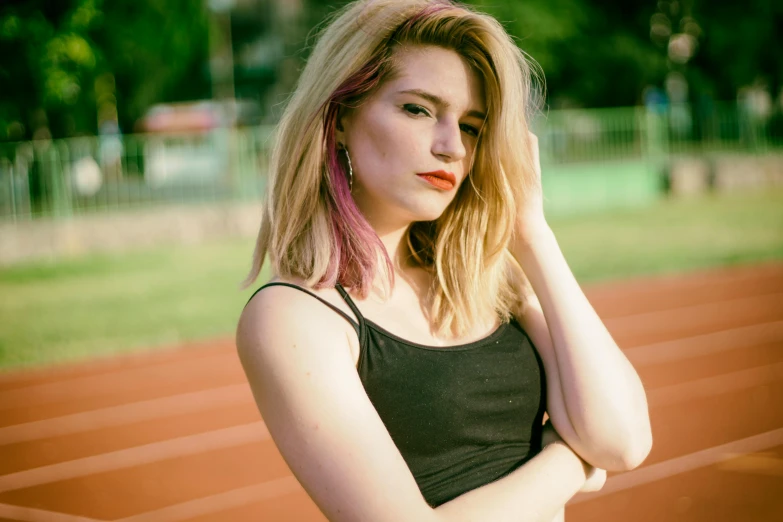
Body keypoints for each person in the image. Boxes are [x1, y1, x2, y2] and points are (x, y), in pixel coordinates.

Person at [236, 1, 653, 520]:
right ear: (340, 116)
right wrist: (567, 461)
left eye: (473, 126)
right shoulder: (294, 316)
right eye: (418, 109)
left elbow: (625, 441)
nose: (452, 146)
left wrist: (531, 233)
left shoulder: (489, 277)